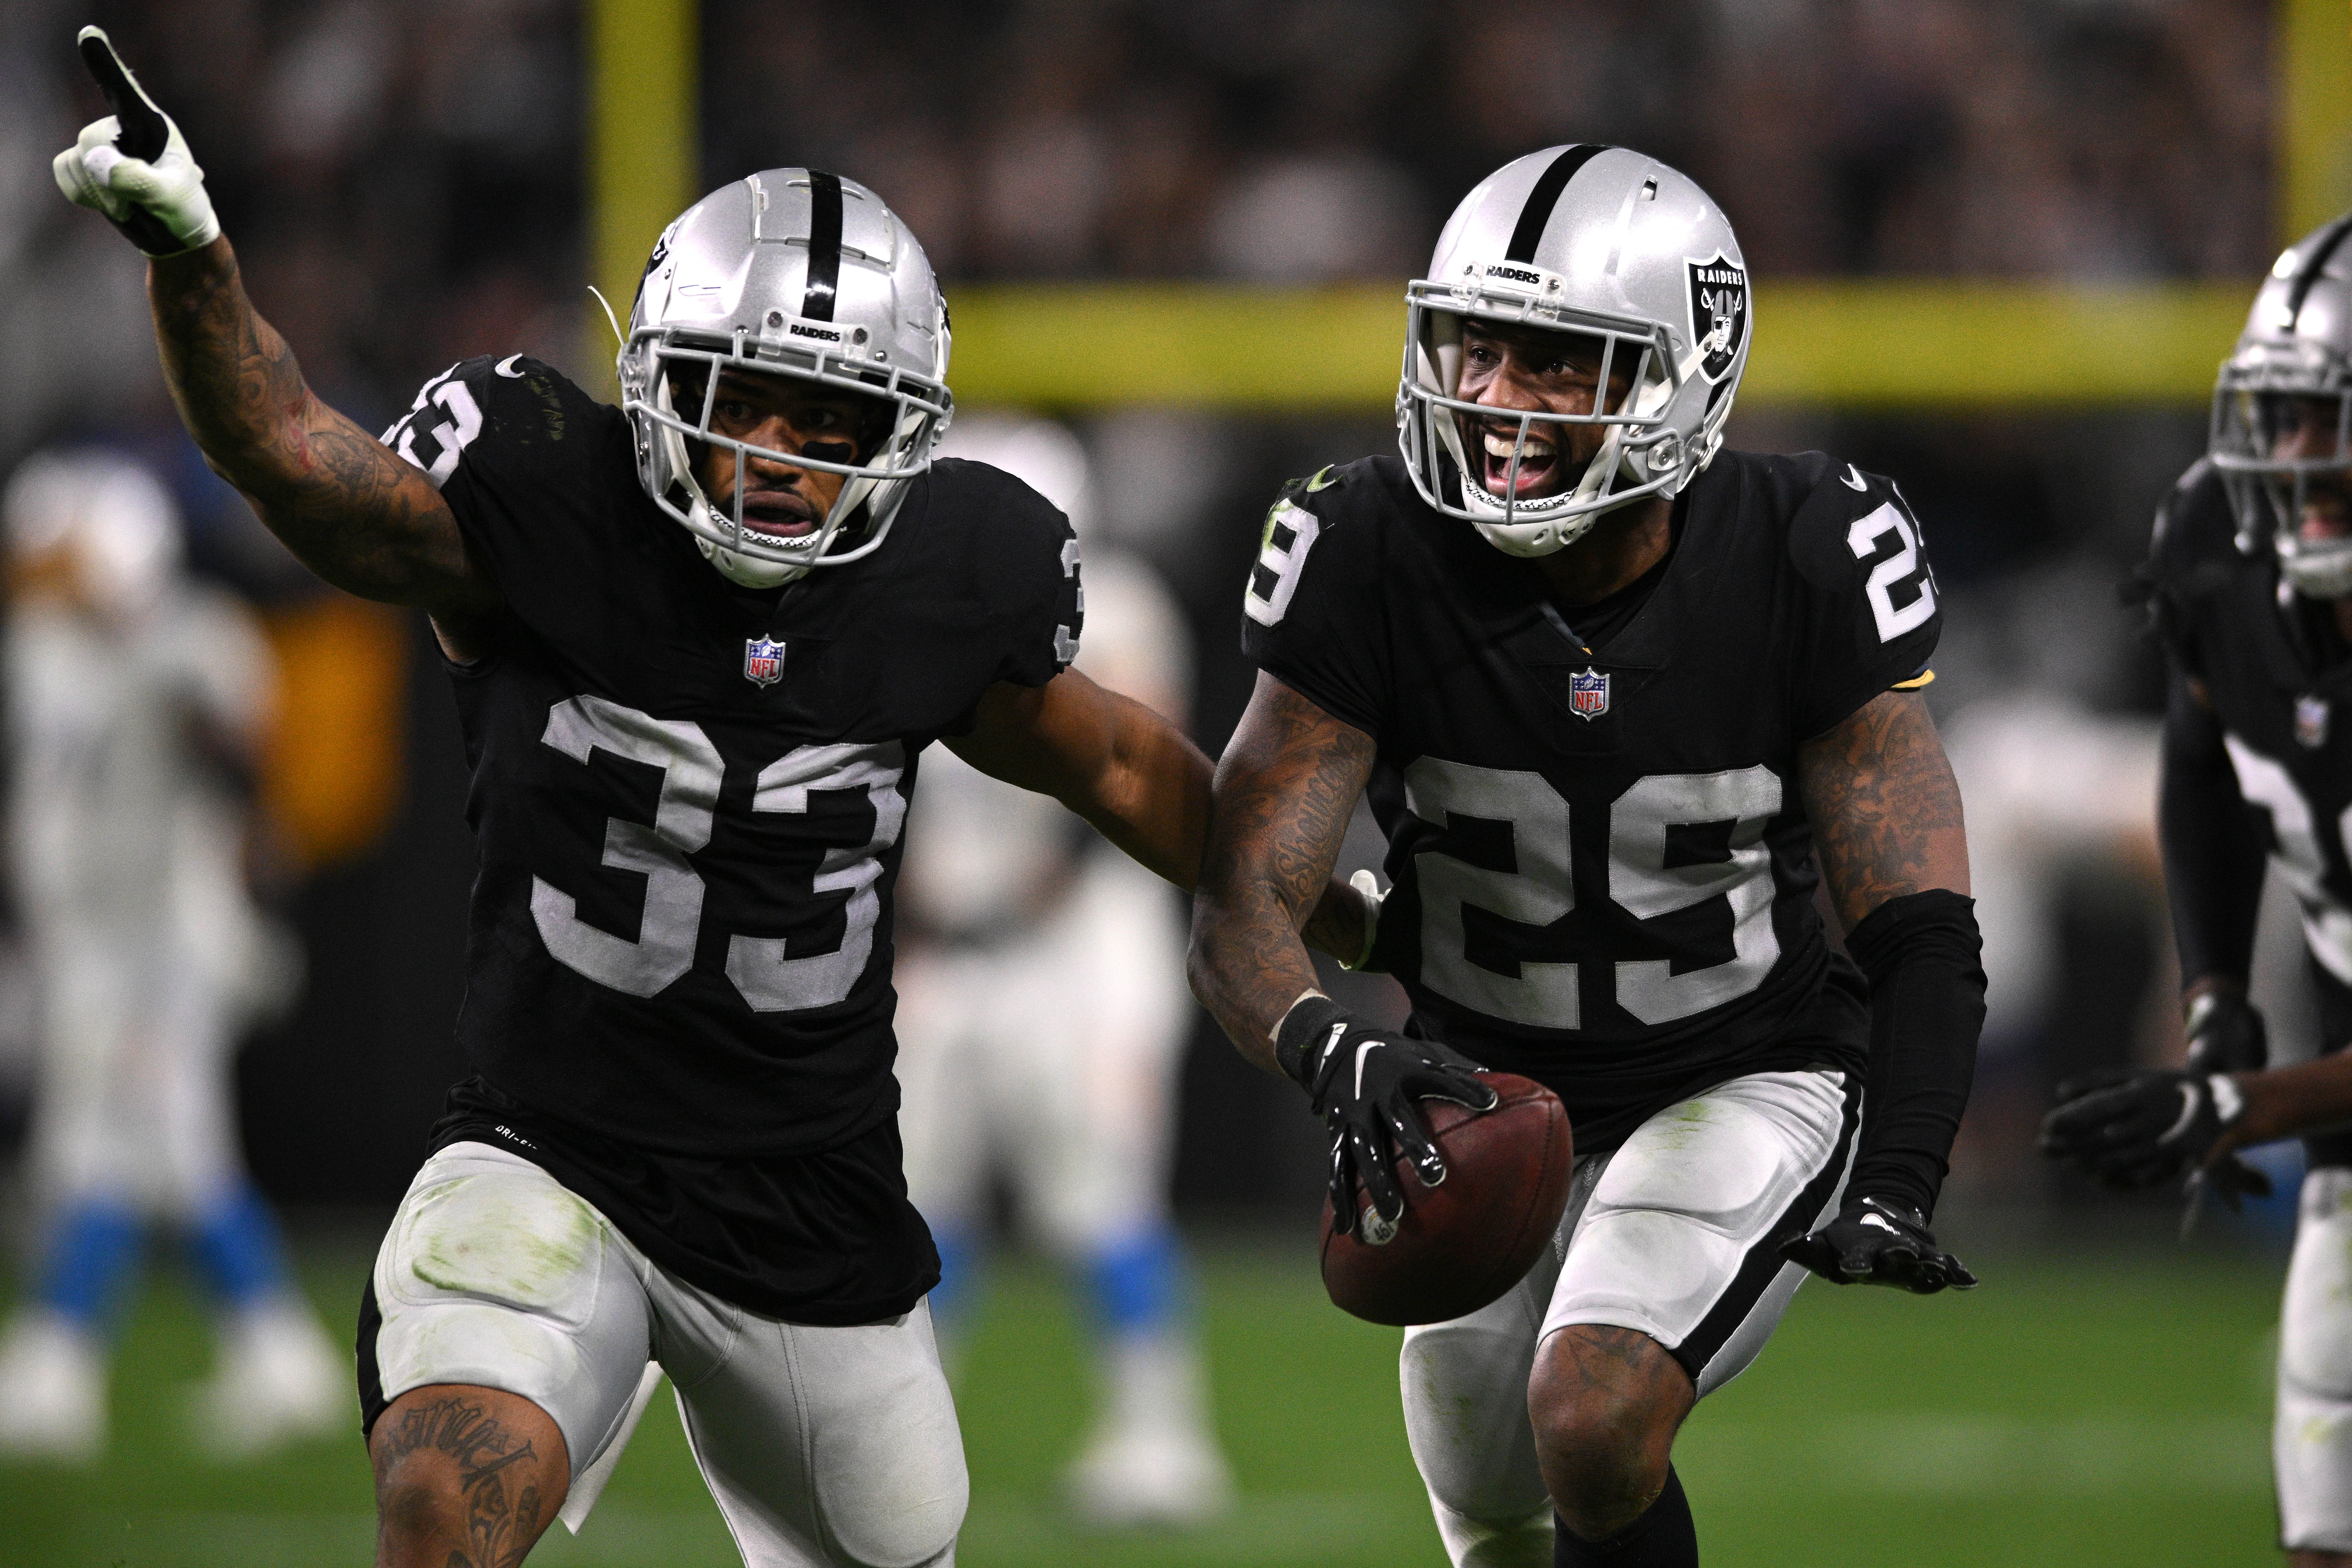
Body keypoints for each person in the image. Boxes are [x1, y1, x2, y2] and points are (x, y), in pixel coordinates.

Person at [51, 29, 1361, 1568]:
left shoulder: (952, 574)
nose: (784, 459)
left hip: (808, 1205)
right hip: (549, 1154)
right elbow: (292, 457)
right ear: (662, 375)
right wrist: (198, 256)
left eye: (835, 423)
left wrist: (1338, 900)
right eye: (747, 399)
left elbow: (1129, 765)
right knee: (439, 1504)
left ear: (904, 438)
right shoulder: (548, 492)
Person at [1187, 144, 1988, 1568]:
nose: (1496, 402)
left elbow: (1919, 909)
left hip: (1743, 1072)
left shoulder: (1805, 544)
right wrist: (1329, 1047)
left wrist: (1905, 1168)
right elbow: (1246, 880)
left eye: (1561, 363)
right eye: (1475, 348)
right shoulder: (1366, 542)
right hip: (1484, 1091)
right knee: (1499, 1523)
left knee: (1593, 1414)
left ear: (1689, 374)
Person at [2043, 210, 2352, 1568]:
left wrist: (2243, 1105)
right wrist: (2219, 996)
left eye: (2331, 420)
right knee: (2326, 1511)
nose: (2296, 461)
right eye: (2280, 418)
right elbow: (2206, 753)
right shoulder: (2219, 534)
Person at [893, 415, 1232, 1526]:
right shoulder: (904, 594)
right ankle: (906, 1428)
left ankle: (1160, 1431)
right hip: (951, 948)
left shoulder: (1119, 605)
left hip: (1084, 947)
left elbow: (1130, 776)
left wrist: (1013, 893)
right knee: (918, 1194)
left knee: (1103, 1188)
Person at [0, 448, 342, 1462]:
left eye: (61, 556)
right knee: (176, 1157)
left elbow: (248, 774)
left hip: (161, 945)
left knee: (108, 1148)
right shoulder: (43, 649)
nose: (38, 576)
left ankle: (54, 1369)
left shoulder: (190, 644)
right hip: (84, 938)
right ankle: (281, 1358)